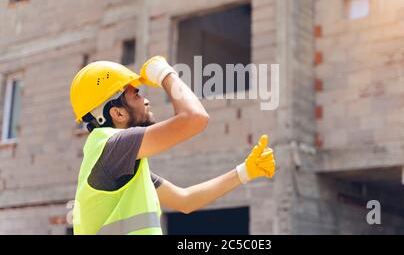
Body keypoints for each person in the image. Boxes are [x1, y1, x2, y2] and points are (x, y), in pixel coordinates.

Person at [69, 56, 276, 235]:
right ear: (118, 113)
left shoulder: (115, 160)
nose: (147, 100)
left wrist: (245, 172)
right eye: (137, 94)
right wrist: (165, 74)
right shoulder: (113, 147)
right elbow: (194, 118)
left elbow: (186, 201)